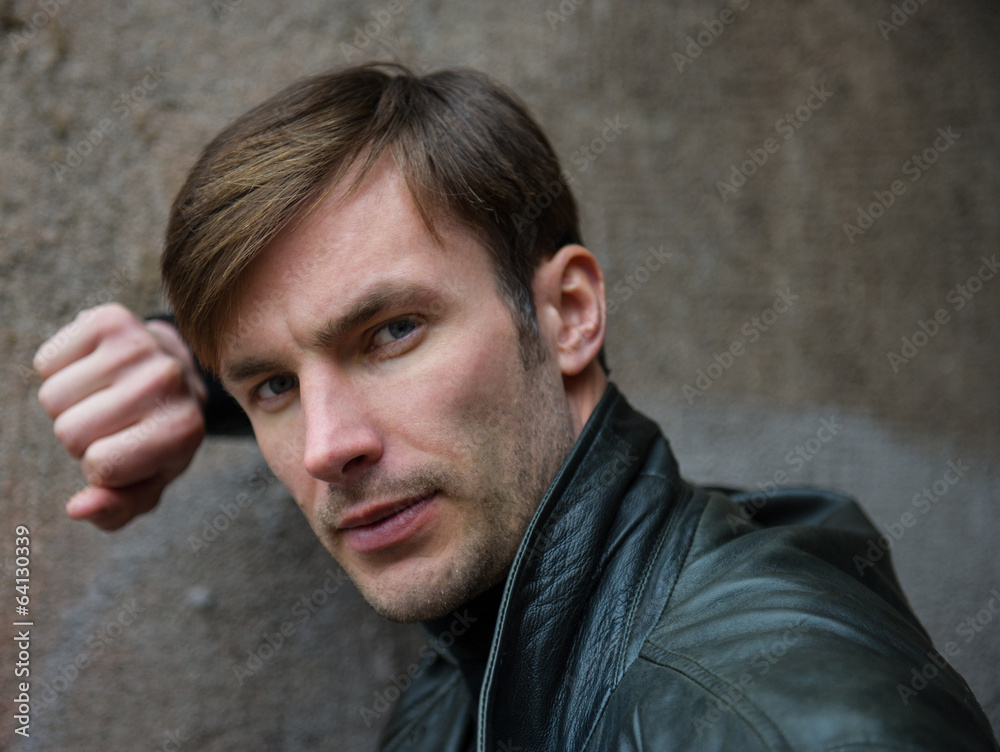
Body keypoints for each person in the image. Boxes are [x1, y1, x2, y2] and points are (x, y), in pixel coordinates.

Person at [34, 63, 998, 751]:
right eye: (274, 386)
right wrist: (187, 366)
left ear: (568, 314)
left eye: (392, 333)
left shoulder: (771, 716)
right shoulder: (498, 619)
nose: (325, 447)